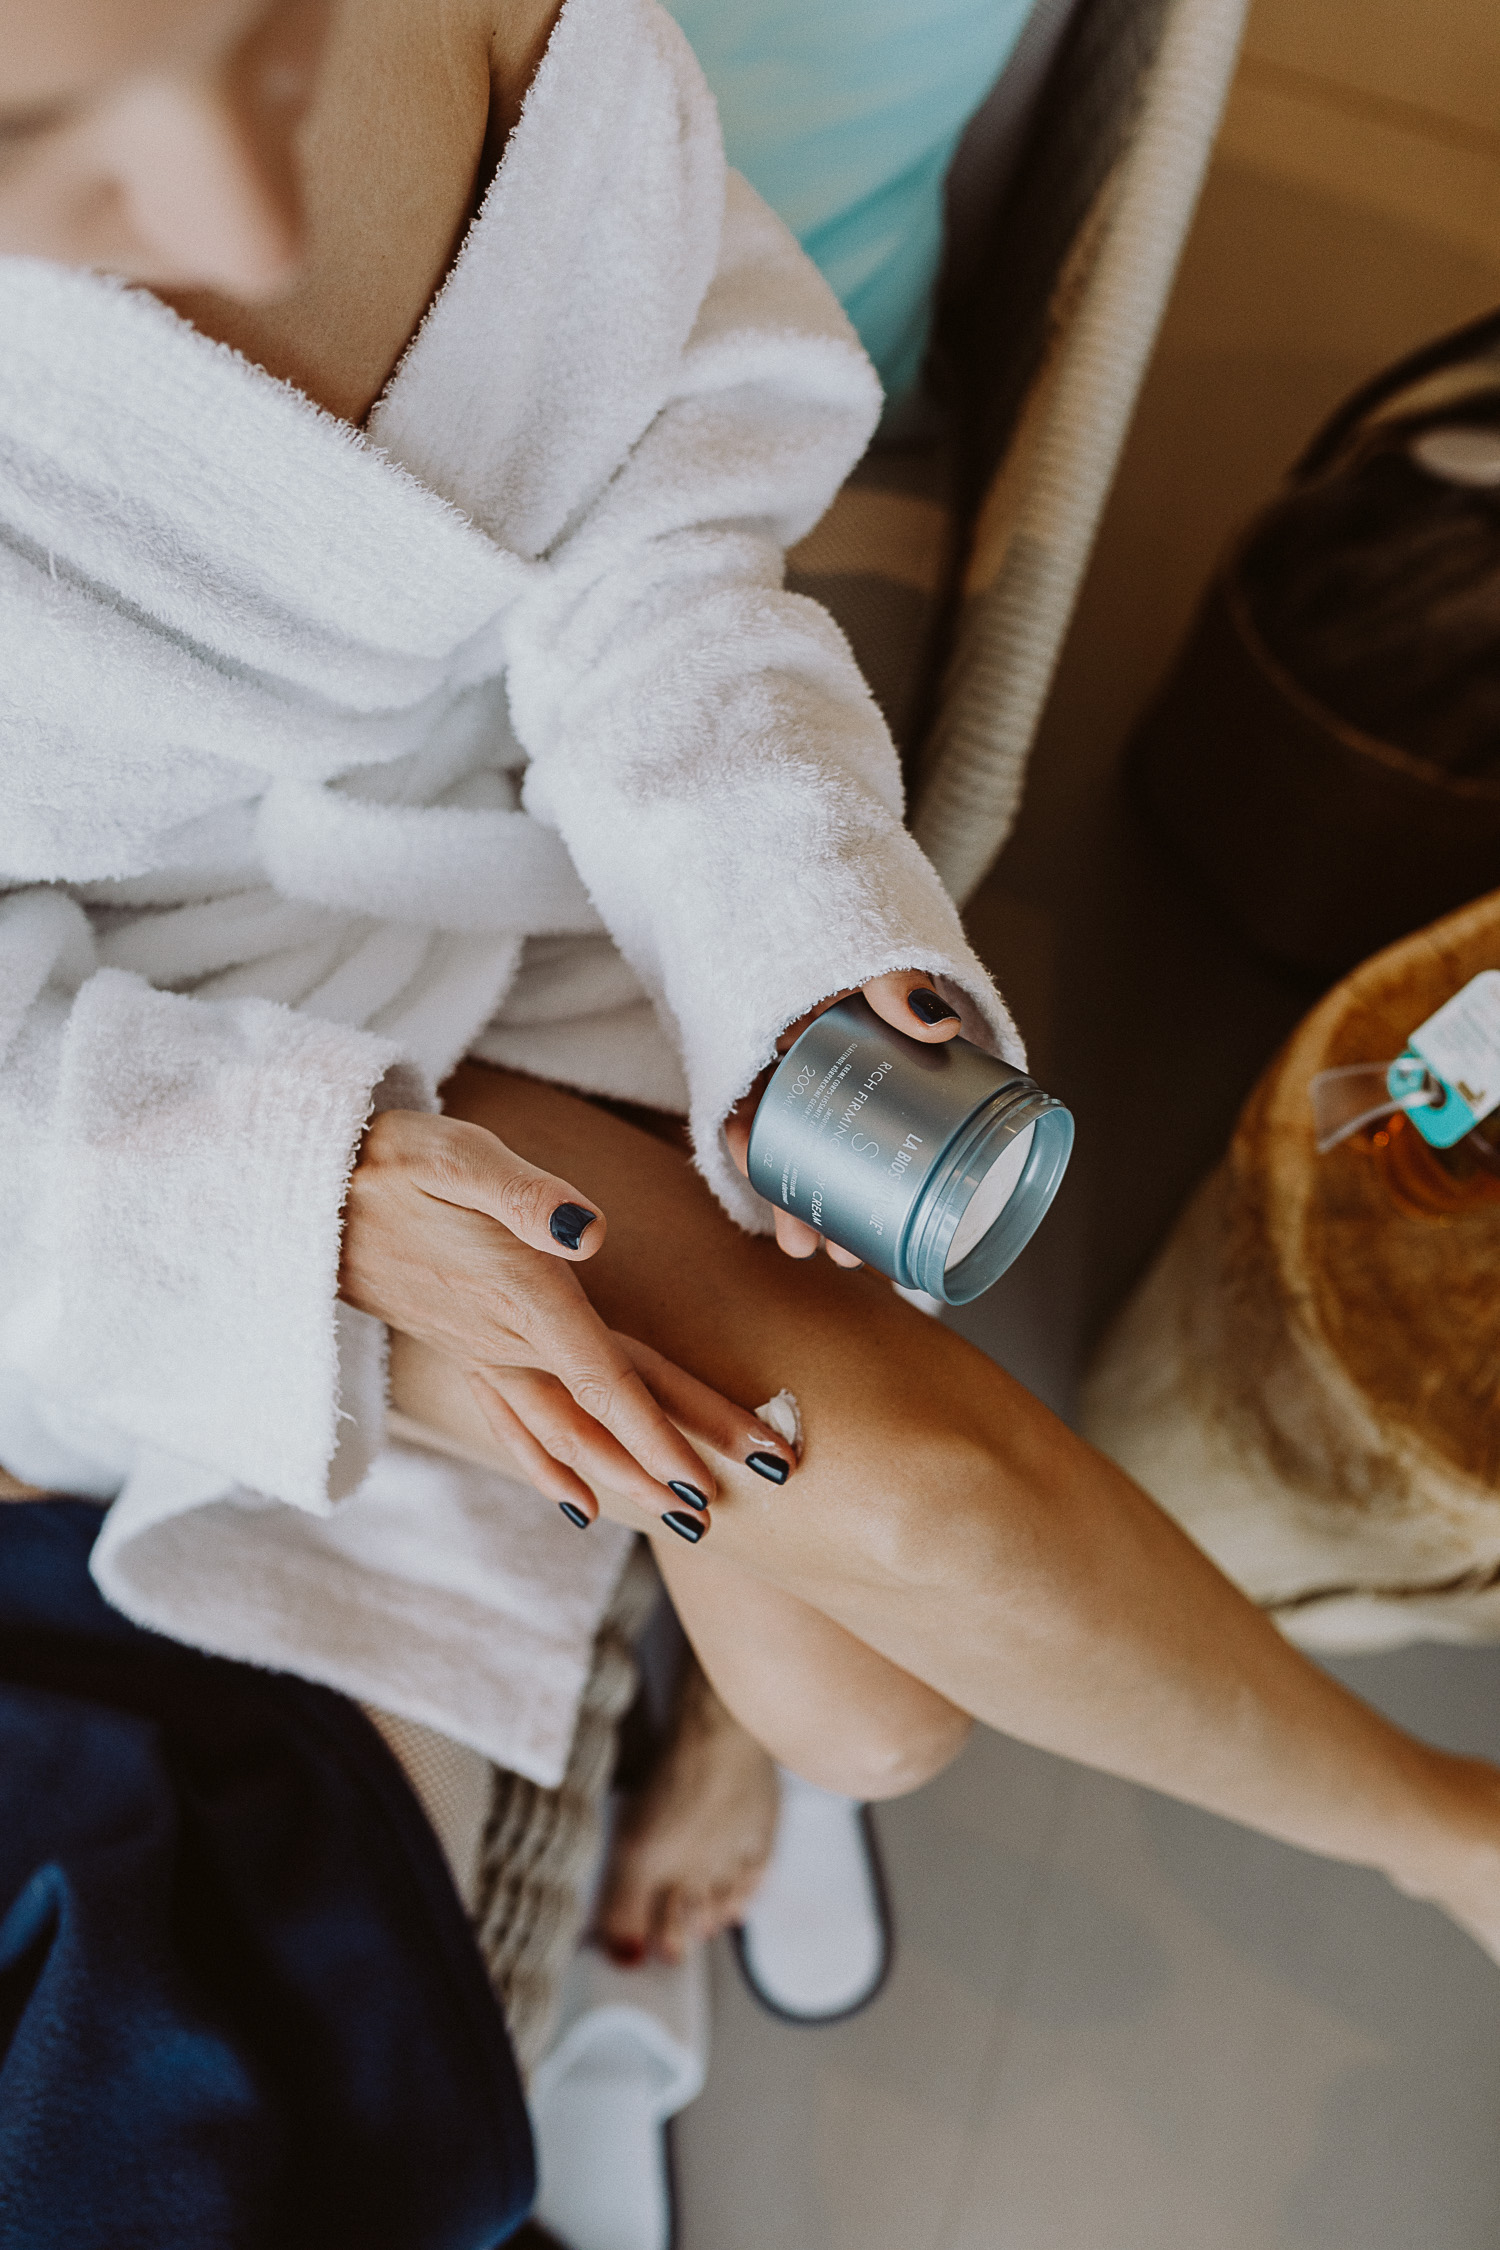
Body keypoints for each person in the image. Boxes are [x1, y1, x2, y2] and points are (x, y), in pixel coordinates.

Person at [5, 0, 1500, 2115]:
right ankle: (1449, 1833)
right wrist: (306, 1200)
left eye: (267, 49)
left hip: (508, 821)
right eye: (53, 130)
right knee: (882, 1666)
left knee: (874, 1680)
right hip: (135, 1094)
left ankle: (1428, 1830)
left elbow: (659, 522)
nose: (242, 207)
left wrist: (780, 920)